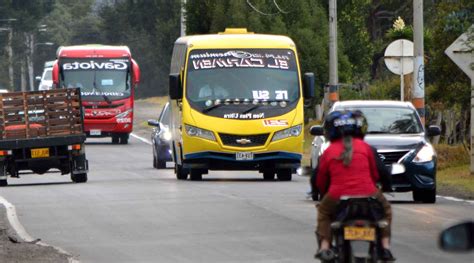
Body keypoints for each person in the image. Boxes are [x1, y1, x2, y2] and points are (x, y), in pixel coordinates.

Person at [314, 110, 395, 261]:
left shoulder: (329, 150)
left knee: (323, 213)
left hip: (337, 194)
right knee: (386, 211)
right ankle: (385, 247)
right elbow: (375, 174)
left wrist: (323, 192)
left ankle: (325, 247)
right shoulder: (365, 147)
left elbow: (320, 180)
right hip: (369, 193)